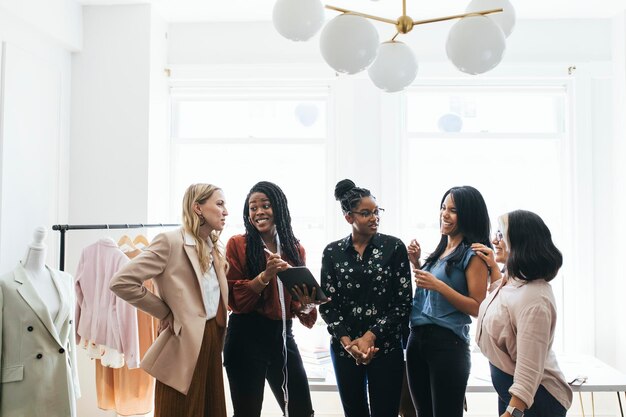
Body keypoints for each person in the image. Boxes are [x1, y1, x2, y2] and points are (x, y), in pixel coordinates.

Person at [110, 183, 229, 417]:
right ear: (198, 208)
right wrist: (165, 312)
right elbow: (121, 282)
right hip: (183, 342)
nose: (225, 211)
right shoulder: (170, 241)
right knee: (178, 410)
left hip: (213, 338)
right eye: (219, 204)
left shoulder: (213, 248)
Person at [224, 181, 319, 417]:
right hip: (245, 337)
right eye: (252, 208)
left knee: (302, 412)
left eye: (265, 206)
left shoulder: (295, 249)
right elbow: (234, 299)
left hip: (282, 336)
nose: (258, 212)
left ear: (278, 208)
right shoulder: (238, 244)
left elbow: (300, 308)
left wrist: (309, 301)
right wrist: (265, 276)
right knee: (247, 413)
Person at [320, 179, 412, 417]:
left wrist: (370, 337)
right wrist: (349, 343)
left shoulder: (394, 248)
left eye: (376, 212)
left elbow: (403, 304)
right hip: (345, 349)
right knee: (355, 413)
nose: (374, 218)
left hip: (385, 347)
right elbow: (328, 306)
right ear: (349, 217)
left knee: (386, 412)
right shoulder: (332, 252)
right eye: (366, 213)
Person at [475, 210, 572, 417]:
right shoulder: (512, 281)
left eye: (501, 235)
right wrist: (493, 265)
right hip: (513, 393)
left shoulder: (535, 298)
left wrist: (512, 413)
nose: (494, 240)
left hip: (537, 399)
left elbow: (528, 369)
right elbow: (500, 306)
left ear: (519, 241)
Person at [405, 185, 491, 417]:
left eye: (453, 210)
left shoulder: (474, 254)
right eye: (443, 207)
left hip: (448, 345)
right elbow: (430, 296)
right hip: (417, 340)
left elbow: (477, 307)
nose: (444, 214)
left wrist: (438, 284)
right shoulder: (442, 250)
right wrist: (416, 264)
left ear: (468, 215)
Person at [0, 227, 80, 417]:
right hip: (24, 387)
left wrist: (74, 380)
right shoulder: (6, 284)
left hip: (60, 377)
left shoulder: (65, 280)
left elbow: (68, 338)